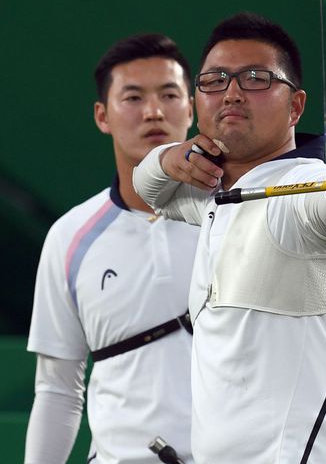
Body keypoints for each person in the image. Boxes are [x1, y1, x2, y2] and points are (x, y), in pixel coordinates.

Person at [132, 12, 326, 463]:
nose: (233, 92)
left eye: (257, 78)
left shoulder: (304, 188)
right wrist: (171, 157)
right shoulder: (212, 199)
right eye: (215, 80)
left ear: (296, 107)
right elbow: (147, 185)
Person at [26, 34, 199, 463]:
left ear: (192, 109)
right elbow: (57, 389)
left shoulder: (235, 217)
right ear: (102, 116)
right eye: (134, 97)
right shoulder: (69, 237)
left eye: (170, 94)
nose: (154, 111)